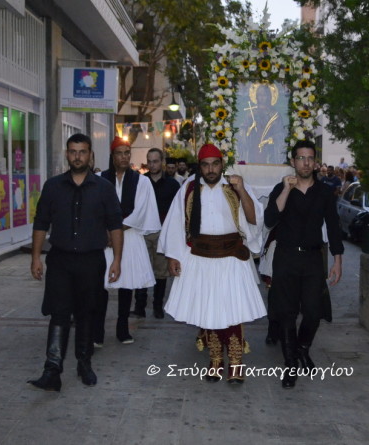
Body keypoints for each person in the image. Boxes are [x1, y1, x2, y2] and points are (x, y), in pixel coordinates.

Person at [158, 144, 266, 384]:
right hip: (201, 258)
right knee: (210, 311)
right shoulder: (189, 188)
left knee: (232, 311)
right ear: (200, 166)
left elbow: (254, 219)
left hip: (232, 258)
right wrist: (173, 256)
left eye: (215, 164)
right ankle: (215, 360)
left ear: (221, 164)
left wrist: (242, 190)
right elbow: (175, 223)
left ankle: (236, 362)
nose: (210, 170)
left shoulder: (235, 185)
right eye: (205, 165)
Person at [28, 133, 123, 391]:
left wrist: (117, 260)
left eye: (82, 152)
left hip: (91, 261)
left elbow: (115, 225)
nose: (77, 156)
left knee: (86, 312)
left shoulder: (104, 188)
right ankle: (52, 370)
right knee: (58, 313)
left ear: (90, 155)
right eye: (73, 151)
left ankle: (84, 363)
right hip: (60, 260)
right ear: (67, 154)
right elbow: (41, 223)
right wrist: (36, 257)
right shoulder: (53, 186)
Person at [264, 140, 344, 389]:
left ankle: (302, 348)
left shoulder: (324, 192)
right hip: (286, 257)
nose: (306, 163)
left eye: (310, 158)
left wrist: (337, 260)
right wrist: (286, 190)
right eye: (301, 158)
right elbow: (269, 219)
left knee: (313, 311)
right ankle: (290, 364)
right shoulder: (281, 188)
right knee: (286, 313)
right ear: (293, 161)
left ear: (315, 162)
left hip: (312, 258)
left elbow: (333, 227)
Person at [93, 137, 161, 345]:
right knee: (100, 285)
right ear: (112, 156)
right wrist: (106, 232)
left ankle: (122, 329)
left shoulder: (142, 181)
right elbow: (94, 209)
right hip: (104, 238)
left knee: (127, 285)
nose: (123, 157)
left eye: (126, 153)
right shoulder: (99, 178)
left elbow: (140, 212)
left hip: (129, 236)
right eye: (119, 153)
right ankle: (97, 331)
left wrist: (115, 230)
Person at [132, 148, 181, 318]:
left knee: (161, 271)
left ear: (162, 162)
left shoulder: (172, 185)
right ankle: (139, 306)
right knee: (141, 268)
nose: (152, 165)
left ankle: (158, 306)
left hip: (162, 232)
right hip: (143, 231)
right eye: (149, 161)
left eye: (155, 161)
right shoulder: (140, 182)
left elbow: (177, 210)